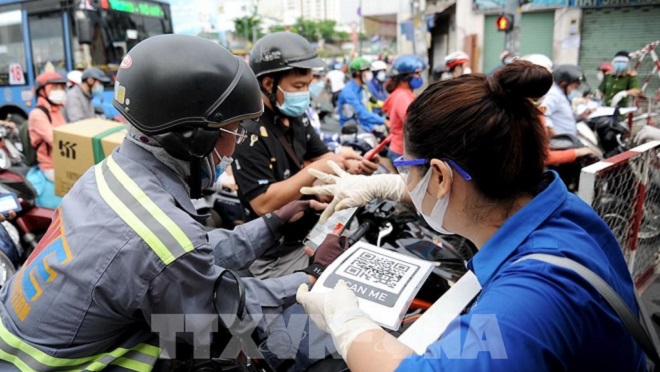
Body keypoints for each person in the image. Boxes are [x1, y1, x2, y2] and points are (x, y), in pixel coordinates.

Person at [0, 35, 347, 371]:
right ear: (195, 136)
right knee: (278, 345)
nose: (236, 146)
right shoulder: (161, 237)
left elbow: (185, 253)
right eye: (235, 130)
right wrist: (312, 276)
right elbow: (229, 309)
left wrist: (273, 223)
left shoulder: (105, 176)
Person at [298, 60, 644, 371]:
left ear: (439, 176)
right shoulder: (562, 213)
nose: (407, 182)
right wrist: (386, 186)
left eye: (406, 170)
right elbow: (457, 194)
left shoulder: (529, 297)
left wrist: (347, 322)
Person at [233, 32, 379, 279]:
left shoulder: (296, 117)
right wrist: (324, 163)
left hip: (312, 234)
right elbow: (263, 203)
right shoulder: (247, 131)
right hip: (276, 257)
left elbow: (319, 158)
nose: (306, 94)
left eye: (309, 85)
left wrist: (349, 165)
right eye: (299, 86)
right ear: (269, 84)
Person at [26, 72, 68, 209]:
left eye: (61, 87)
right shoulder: (37, 114)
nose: (59, 92)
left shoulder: (56, 111)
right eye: (54, 87)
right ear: (42, 91)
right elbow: (56, 140)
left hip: (64, 162)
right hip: (51, 166)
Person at [383, 54, 426, 163]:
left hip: (400, 147)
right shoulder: (402, 96)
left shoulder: (403, 93)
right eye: (417, 74)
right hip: (401, 150)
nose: (419, 77)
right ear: (406, 76)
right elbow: (413, 123)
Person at [337, 57, 386, 132]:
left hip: (362, 127)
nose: (369, 73)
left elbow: (372, 103)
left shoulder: (362, 89)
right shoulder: (349, 92)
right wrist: (384, 121)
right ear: (358, 73)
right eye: (367, 70)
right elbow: (361, 114)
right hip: (351, 131)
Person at [542, 64, 592, 136]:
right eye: (575, 87)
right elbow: (543, 118)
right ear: (563, 84)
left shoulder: (561, 95)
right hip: (560, 144)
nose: (575, 90)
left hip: (567, 141)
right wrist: (556, 139)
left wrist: (580, 117)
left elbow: (562, 119)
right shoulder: (553, 95)